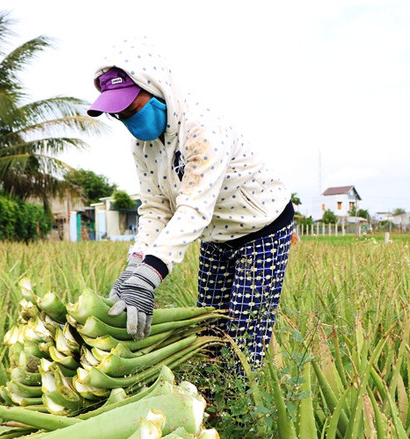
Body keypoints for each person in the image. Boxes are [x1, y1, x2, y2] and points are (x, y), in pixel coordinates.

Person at [86, 39, 295, 370]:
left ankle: (240, 413)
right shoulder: (143, 145)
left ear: (156, 88)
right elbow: (155, 208)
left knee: (243, 335)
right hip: (216, 235)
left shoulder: (201, 126)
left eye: (131, 107)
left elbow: (194, 208)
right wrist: (135, 265)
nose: (126, 118)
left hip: (261, 227)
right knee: (208, 331)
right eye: (119, 114)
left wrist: (150, 275)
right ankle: (209, 406)